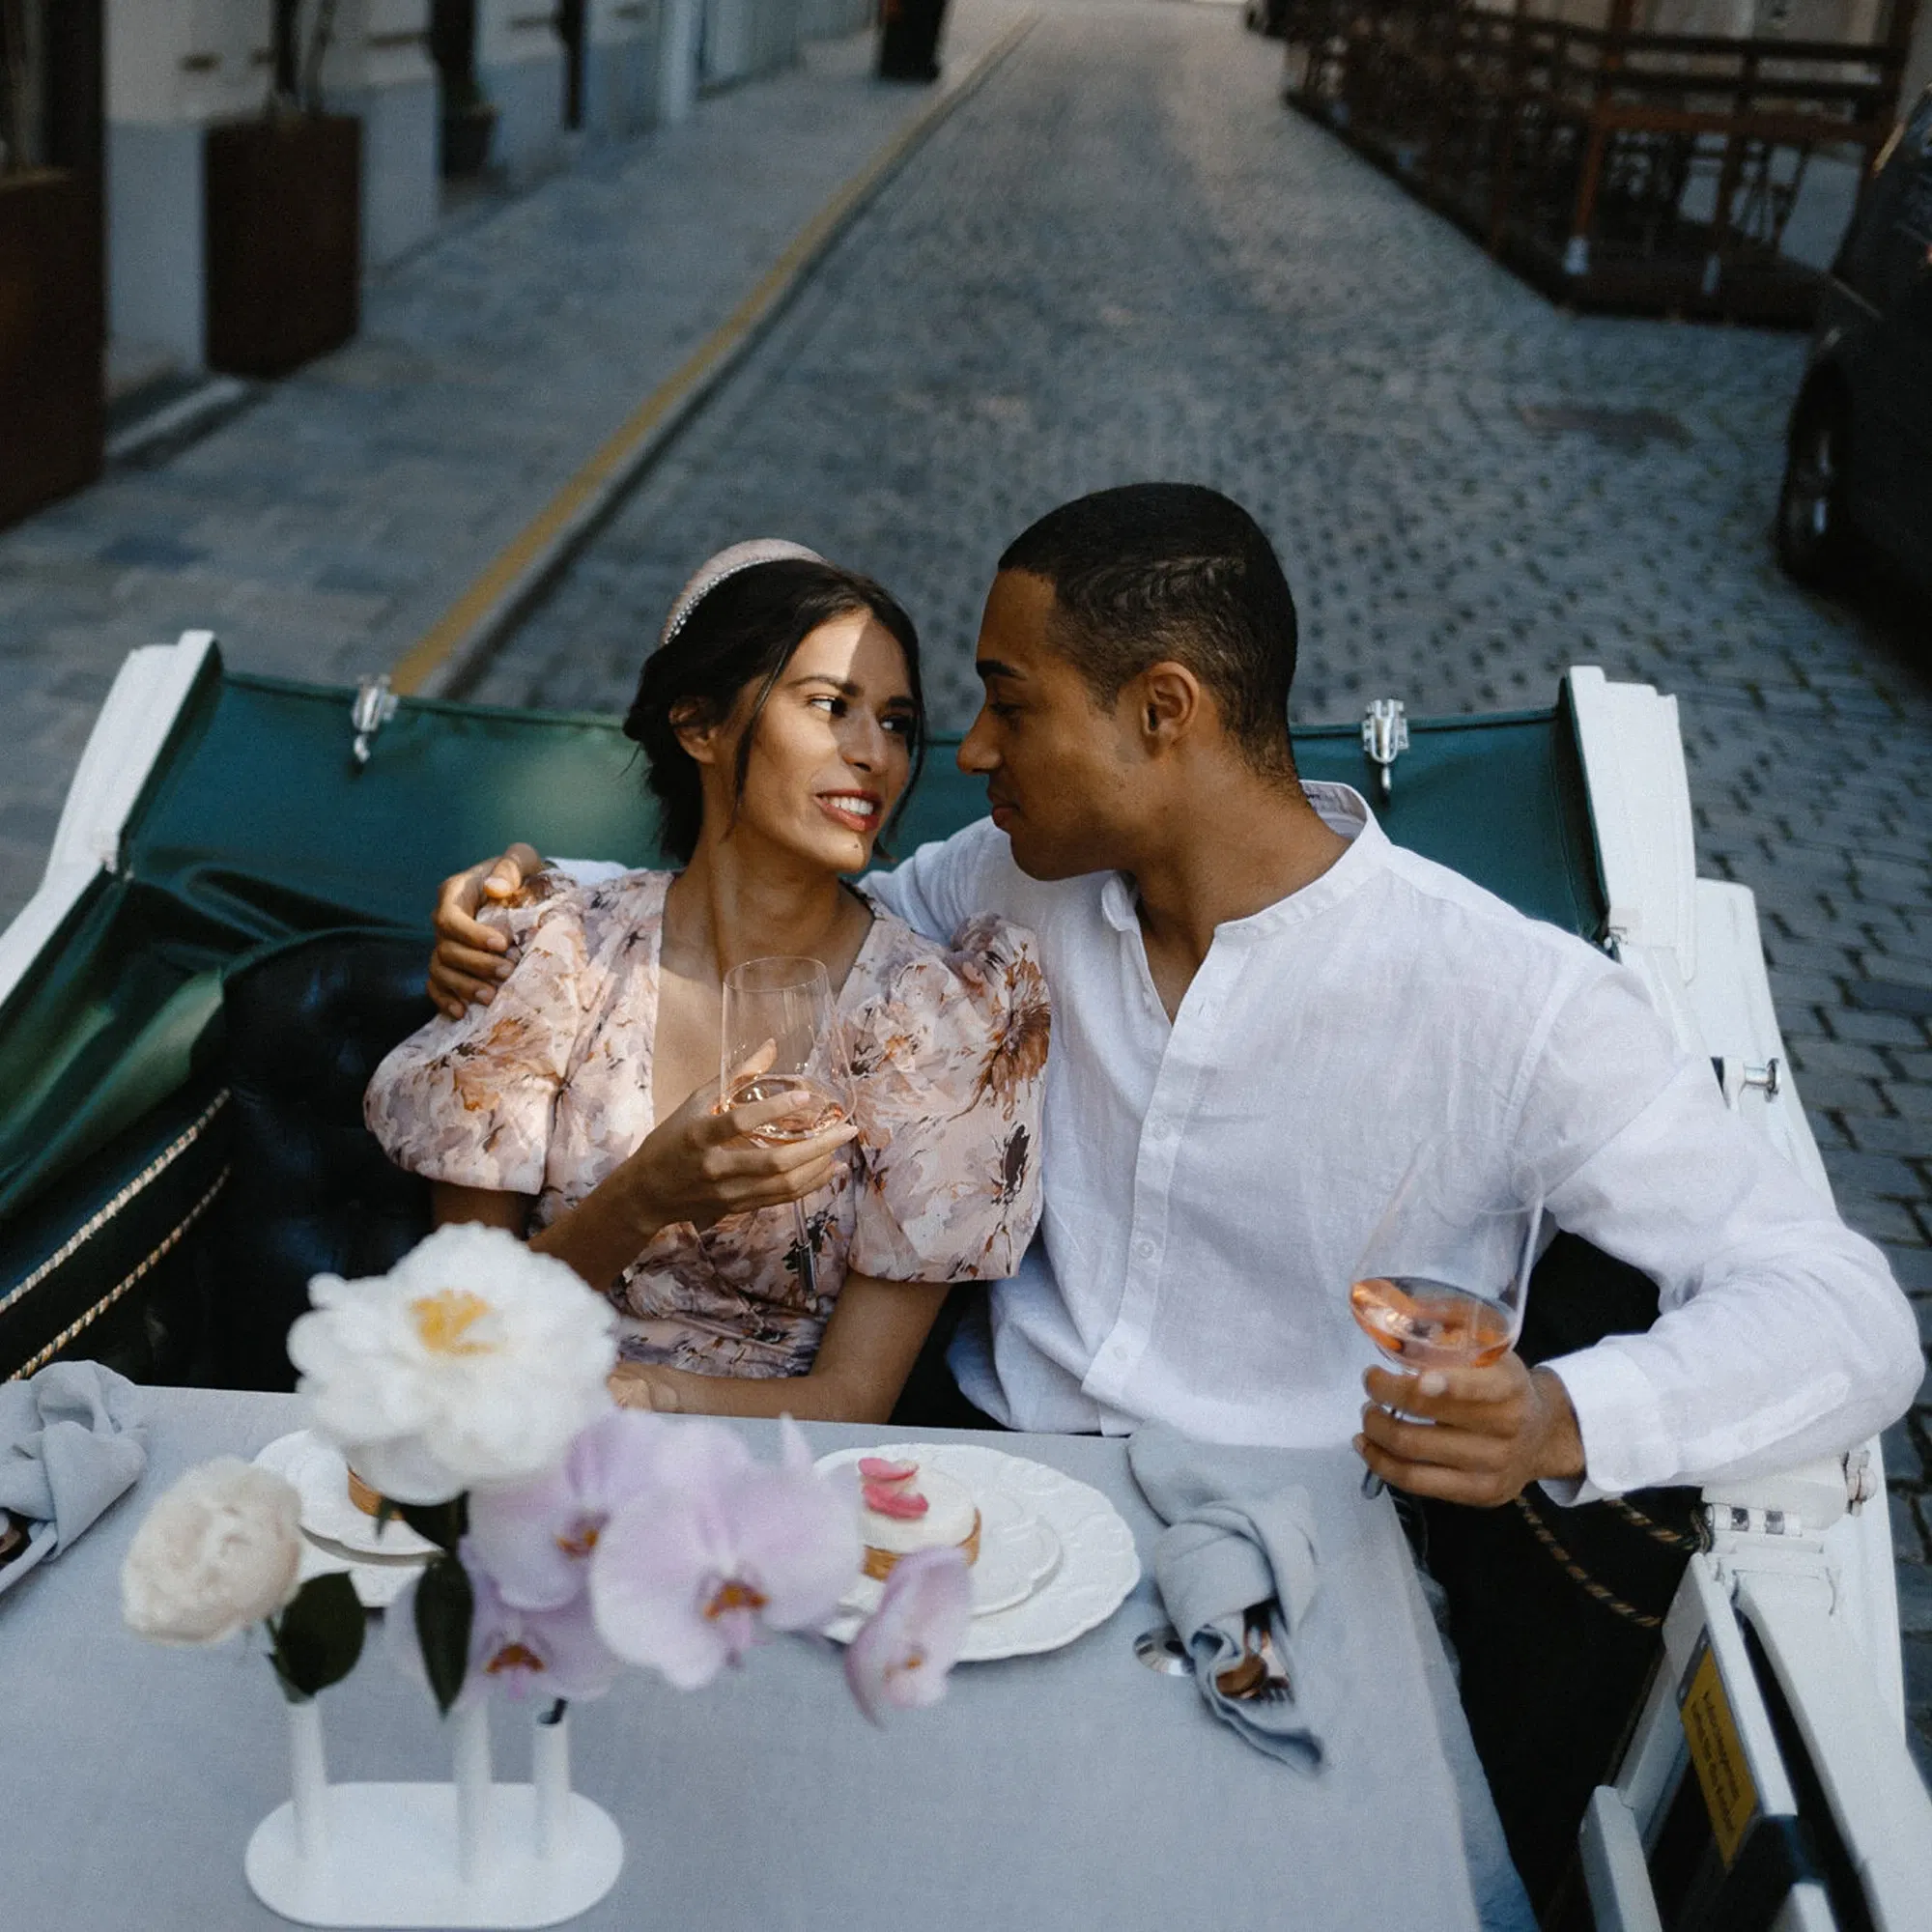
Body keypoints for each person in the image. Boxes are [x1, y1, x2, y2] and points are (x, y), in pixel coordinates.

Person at [426, 486, 1919, 1912]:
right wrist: (530, 898)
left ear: (1162, 712)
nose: (965, 751)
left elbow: (1848, 1316)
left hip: (1298, 1574)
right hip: (973, 1514)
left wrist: (1558, 1419)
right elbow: (775, 890)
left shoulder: (1514, 1001)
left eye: (1010, 702)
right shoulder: (1010, 887)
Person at [368, 540, 1047, 1425]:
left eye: (897, 722)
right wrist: (645, 1195)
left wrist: (641, 1398)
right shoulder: (558, 952)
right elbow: (460, 1324)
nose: (875, 754)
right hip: (511, 1423)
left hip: (770, 1476)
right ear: (698, 726)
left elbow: (853, 1398)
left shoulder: (927, 1020)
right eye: (831, 706)